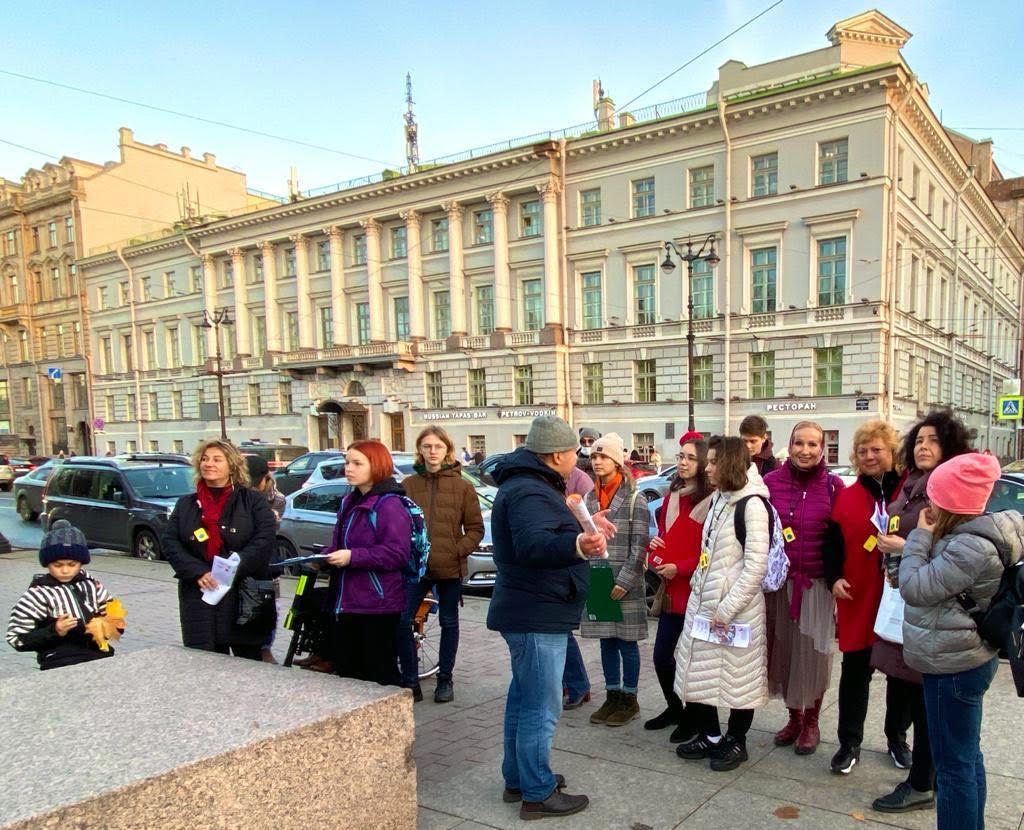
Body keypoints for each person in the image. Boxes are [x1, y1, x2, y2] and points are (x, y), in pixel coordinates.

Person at [486, 415, 609, 820]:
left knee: (524, 700)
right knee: (541, 706)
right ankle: (536, 792)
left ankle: (519, 778)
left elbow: (542, 532)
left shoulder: (530, 485)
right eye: (576, 451)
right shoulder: (530, 490)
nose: (580, 458)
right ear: (557, 454)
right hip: (536, 610)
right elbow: (534, 545)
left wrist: (584, 525)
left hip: (532, 607)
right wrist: (578, 543)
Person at [900, 452, 1021, 830]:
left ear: (950, 504)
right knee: (967, 758)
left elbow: (914, 587)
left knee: (952, 769)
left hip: (953, 664)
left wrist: (918, 537)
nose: (929, 503)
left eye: (935, 496)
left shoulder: (969, 547)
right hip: (968, 655)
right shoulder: (978, 535)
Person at [870, 409, 971, 813]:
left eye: (933, 440)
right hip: (909, 600)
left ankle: (923, 782)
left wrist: (901, 545)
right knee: (914, 691)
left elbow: (948, 544)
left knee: (930, 699)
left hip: (933, 607)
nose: (924, 446)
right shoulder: (912, 483)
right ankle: (920, 772)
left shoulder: (948, 487)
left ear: (949, 447)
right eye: (919, 440)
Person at [673, 436, 770, 772]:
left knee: (739, 679)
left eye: (713, 462)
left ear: (729, 463)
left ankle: (736, 740)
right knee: (698, 672)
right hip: (706, 605)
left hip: (736, 612)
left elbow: (756, 566)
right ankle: (711, 735)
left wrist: (726, 609)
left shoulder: (752, 504)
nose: (708, 467)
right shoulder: (720, 499)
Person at [823, 419, 912, 775]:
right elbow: (832, 544)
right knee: (855, 673)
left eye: (877, 449)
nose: (869, 456)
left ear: (892, 452)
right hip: (858, 596)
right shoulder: (846, 495)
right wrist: (834, 578)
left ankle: (897, 739)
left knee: (901, 674)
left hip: (899, 596)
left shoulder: (908, 492)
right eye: (863, 451)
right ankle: (849, 743)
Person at [764, 422, 846, 755]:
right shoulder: (770, 483)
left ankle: (812, 720)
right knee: (783, 652)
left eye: (813, 444)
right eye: (799, 443)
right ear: (790, 444)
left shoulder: (833, 486)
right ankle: (793, 716)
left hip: (816, 585)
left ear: (822, 449)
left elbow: (844, 538)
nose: (805, 450)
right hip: (779, 583)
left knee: (814, 654)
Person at [163, 439, 277, 659]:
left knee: (248, 660)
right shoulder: (187, 504)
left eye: (217, 459)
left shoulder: (252, 501)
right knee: (205, 658)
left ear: (232, 465)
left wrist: (231, 567)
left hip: (243, 590)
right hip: (200, 592)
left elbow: (264, 539)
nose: (209, 464)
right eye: (204, 459)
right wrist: (197, 571)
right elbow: (171, 542)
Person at [400, 426, 485, 703]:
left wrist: (456, 551)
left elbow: (475, 528)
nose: (432, 452)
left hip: (449, 567)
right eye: (427, 446)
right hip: (416, 567)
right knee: (402, 621)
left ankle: (445, 680)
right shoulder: (409, 485)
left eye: (438, 446)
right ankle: (411, 680)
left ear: (447, 450)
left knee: (449, 622)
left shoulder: (462, 486)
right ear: (420, 450)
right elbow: (399, 524)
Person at [646, 430, 716, 745]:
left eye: (690, 457)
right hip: (671, 590)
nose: (683, 462)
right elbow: (662, 537)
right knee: (663, 657)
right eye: (681, 456)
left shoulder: (712, 501)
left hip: (697, 591)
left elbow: (712, 551)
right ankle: (676, 708)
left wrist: (683, 566)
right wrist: (654, 548)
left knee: (694, 662)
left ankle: (694, 717)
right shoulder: (672, 495)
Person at [323, 439, 410, 685]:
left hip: (378, 604)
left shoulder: (388, 504)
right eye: (347, 462)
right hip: (346, 601)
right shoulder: (349, 501)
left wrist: (352, 557)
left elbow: (396, 553)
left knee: (380, 677)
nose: (348, 468)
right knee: (349, 676)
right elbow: (342, 543)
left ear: (376, 466)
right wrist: (324, 557)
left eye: (357, 463)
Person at [581, 433, 650, 727]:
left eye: (603, 457)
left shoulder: (636, 498)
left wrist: (625, 581)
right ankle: (612, 694)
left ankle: (629, 699)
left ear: (617, 462)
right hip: (598, 576)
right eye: (594, 457)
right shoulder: (588, 498)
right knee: (606, 641)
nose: (597, 461)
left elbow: (640, 545)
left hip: (625, 581)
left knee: (626, 642)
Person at [6, 520, 114, 670]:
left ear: (81, 563)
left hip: (98, 654)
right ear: (47, 563)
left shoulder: (92, 585)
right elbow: (16, 638)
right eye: (57, 565)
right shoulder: (38, 594)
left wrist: (107, 624)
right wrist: (54, 630)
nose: (65, 570)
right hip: (59, 660)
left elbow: (112, 614)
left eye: (72, 565)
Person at [246, 454, 287, 664]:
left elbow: (264, 529)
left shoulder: (276, 499)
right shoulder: (238, 495)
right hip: (245, 566)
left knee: (270, 608)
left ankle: (265, 648)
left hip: (267, 564)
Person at [563, 462, 595, 710]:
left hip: (584, 561)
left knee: (561, 631)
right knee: (559, 631)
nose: (596, 460)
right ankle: (570, 683)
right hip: (565, 557)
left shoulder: (581, 481)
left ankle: (578, 685)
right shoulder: (547, 479)